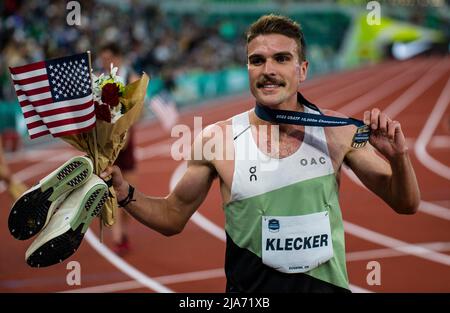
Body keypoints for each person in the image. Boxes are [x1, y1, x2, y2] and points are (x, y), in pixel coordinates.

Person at [101, 14, 420, 292]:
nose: (268, 69)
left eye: (282, 58)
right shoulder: (217, 139)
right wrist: (124, 192)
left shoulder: (336, 132)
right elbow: (172, 217)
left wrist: (399, 158)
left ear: (302, 69)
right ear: (248, 69)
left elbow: (405, 203)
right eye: (257, 60)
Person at [99, 43, 139, 255]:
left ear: (118, 57)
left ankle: (123, 230)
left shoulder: (130, 77)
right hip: (107, 141)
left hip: (126, 139)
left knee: (129, 189)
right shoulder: (100, 80)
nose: (105, 63)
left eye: (108, 59)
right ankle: (117, 236)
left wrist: (128, 132)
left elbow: (135, 109)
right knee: (109, 189)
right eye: (103, 59)